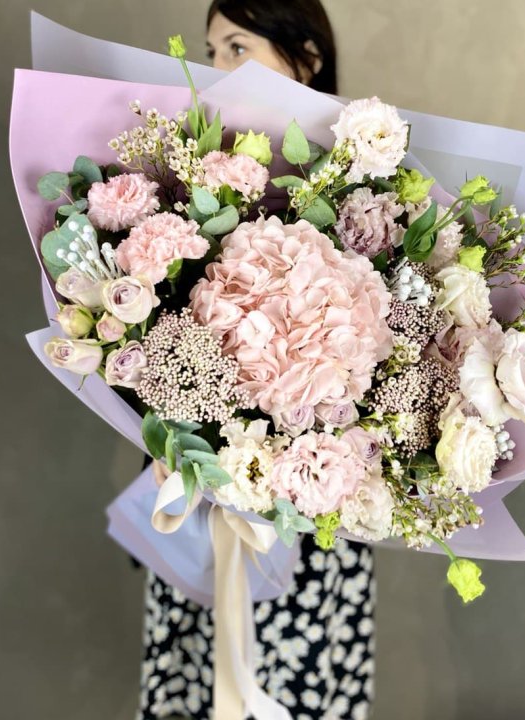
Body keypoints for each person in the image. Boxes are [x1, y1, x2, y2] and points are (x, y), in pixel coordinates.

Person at [136, 3, 375, 719]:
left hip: (309, 515)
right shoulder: (191, 180)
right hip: (202, 505)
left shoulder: (363, 191)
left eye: (237, 47)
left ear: (307, 58)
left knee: (292, 685)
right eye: (210, 51)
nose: (217, 68)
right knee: (192, 677)